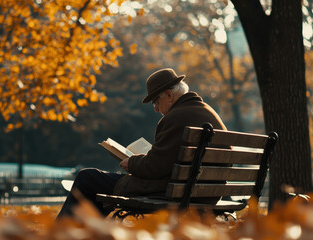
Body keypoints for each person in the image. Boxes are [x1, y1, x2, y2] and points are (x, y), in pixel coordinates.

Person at [56, 68, 227, 220]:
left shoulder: (175, 118)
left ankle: (61, 234)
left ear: (169, 94)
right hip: (205, 194)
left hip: (175, 192)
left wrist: (132, 162)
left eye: (156, 101)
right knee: (95, 183)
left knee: (88, 177)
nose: (155, 108)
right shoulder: (208, 112)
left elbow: (154, 167)